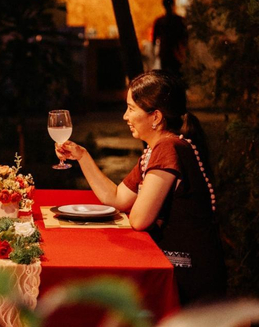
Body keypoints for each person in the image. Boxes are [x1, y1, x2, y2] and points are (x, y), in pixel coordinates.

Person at [55, 71, 226, 304]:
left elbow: (139, 219)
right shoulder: (158, 148)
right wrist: (82, 156)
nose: (125, 116)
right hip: (181, 266)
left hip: (188, 276)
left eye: (131, 109)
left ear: (155, 116)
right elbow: (117, 197)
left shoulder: (167, 148)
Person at [152, 0, 188, 76]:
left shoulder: (160, 21)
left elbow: (154, 39)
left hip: (167, 52)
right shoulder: (179, 20)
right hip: (176, 52)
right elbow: (185, 37)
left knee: (167, 76)